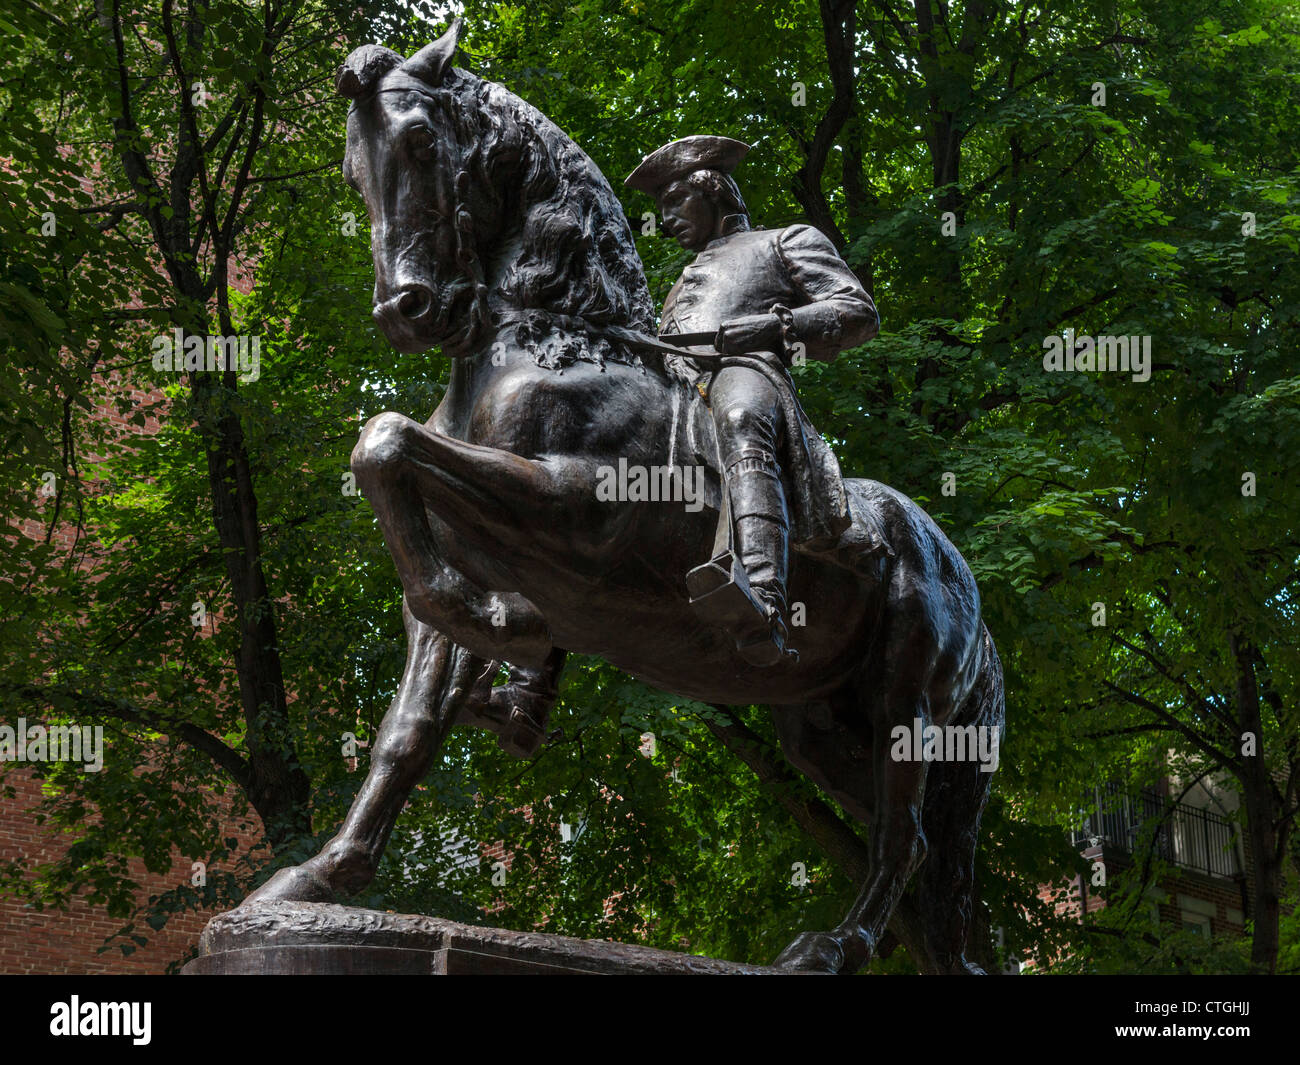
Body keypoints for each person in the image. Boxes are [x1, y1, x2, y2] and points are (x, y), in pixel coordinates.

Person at [626, 135, 880, 665]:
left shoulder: (784, 240)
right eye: (661, 209)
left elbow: (856, 312)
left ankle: (763, 592)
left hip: (743, 373)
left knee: (741, 418)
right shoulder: (676, 285)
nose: (666, 218)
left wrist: (773, 326)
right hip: (677, 389)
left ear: (713, 191)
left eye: (675, 202)